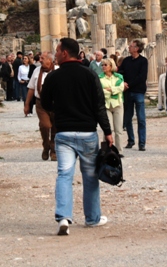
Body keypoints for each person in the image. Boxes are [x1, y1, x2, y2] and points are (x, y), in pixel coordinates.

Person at [41, 38, 112, 234]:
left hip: (63, 132)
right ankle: (92, 218)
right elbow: (99, 106)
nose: (54, 54)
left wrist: (60, 111)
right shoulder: (90, 75)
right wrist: (107, 131)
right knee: (90, 176)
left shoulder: (53, 77)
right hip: (87, 132)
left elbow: (46, 103)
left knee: (64, 174)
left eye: (57, 51)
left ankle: (63, 218)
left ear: (65, 53)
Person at [25, 52, 58, 161]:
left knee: (55, 127)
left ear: (50, 60)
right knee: (45, 125)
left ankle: (53, 150)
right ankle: (46, 145)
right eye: (40, 58)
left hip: (55, 103)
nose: (40, 60)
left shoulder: (58, 70)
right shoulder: (36, 71)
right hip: (41, 102)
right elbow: (31, 88)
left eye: (43, 58)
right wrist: (27, 105)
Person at [119, 39, 148, 151]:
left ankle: (142, 143)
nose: (129, 48)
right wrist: (123, 83)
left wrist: (128, 84)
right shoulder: (126, 60)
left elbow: (142, 77)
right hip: (127, 92)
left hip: (138, 92)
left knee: (141, 119)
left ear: (136, 48)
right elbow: (120, 72)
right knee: (127, 118)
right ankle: (131, 140)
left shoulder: (143, 61)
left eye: (131, 46)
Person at [99, 58, 124, 155]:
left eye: (105, 65)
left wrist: (110, 89)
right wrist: (113, 90)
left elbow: (121, 88)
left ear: (111, 66)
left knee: (118, 129)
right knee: (108, 128)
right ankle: (106, 150)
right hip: (106, 104)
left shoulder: (119, 77)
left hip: (117, 104)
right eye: (102, 65)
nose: (103, 67)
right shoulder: (100, 78)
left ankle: (119, 150)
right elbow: (101, 92)